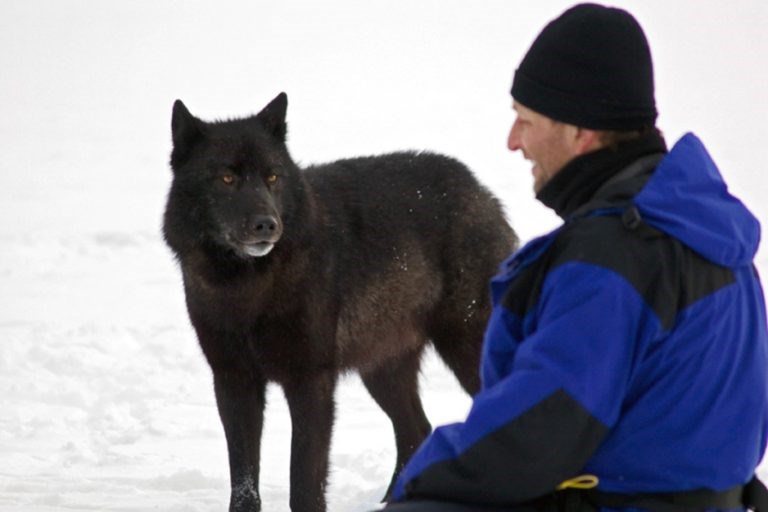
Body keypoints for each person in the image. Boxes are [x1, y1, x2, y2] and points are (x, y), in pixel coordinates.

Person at [381, 4, 768, 512]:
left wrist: (420, 474)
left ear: (579, 130)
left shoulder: (615, 257)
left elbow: (535, 434)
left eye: (526, 120)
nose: (513, 142)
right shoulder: (701, 228)